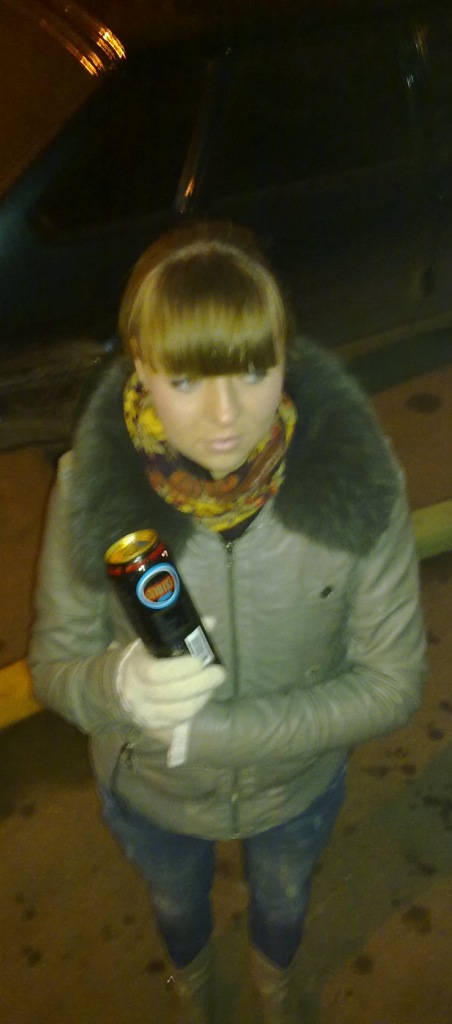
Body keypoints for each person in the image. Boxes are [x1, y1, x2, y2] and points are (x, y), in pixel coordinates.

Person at [29, 221, 426, 1024]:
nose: (224, 415)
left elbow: (394, 682)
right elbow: (54, 667)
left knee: (284, 899)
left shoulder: (358, 481)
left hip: (296, 788)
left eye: (252, 370)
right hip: (154, 792)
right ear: (140, 368)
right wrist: (115, 685)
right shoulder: (89, 490)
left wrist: (219, 735)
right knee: (176, 903)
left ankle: (275, 989)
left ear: (284, 355)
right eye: (184, 379)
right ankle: (195, 989)